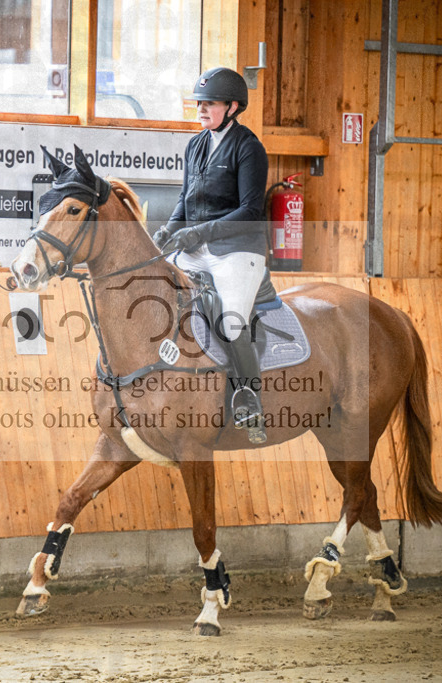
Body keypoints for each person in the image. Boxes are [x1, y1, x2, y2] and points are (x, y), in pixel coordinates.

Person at [153, 67, 270, 444]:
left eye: (210, 103)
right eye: (199, 103)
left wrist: (200, 232)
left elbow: (251, 210)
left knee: (232, 321)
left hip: (238, 250)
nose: (202, 109)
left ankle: (249, 398)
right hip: (196, 246)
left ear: (233, 107)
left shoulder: (248, 147)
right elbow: (186, 201)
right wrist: (169, 229)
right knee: (155, 293)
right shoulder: (196, 145)